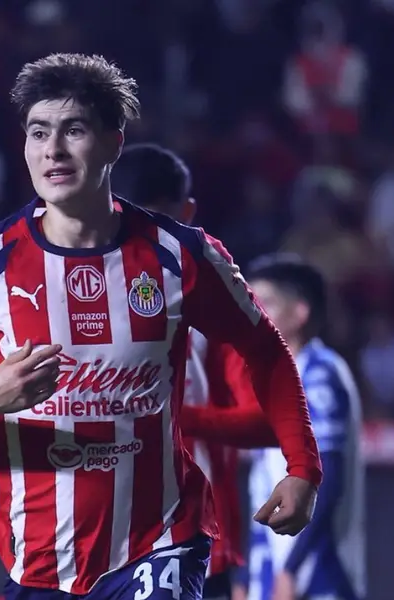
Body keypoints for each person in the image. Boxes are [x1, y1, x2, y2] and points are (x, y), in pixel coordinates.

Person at [0, 53, 322, 600]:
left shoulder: (182, 255)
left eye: (73, 130)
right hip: (39, 559)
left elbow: (265, 353)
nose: (52, 150)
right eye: (38, 132)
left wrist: (302, 466)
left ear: (114, 142)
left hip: (161, 541)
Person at [111, 143, 276, 600]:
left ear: (187, 213)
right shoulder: (68, 294)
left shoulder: (215, 300)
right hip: (93, 545)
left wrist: (172, 415)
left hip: (194, 545)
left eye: (160, 221)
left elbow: (266, 420)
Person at [206, 255, 365, 600]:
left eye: (265, 303)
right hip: (273, 571)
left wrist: (290, 571)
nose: (253, 312)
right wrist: (245, 576)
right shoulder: (273, 381)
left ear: (299, 314)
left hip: (318, 575)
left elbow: (327, 478)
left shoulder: (321, 374)